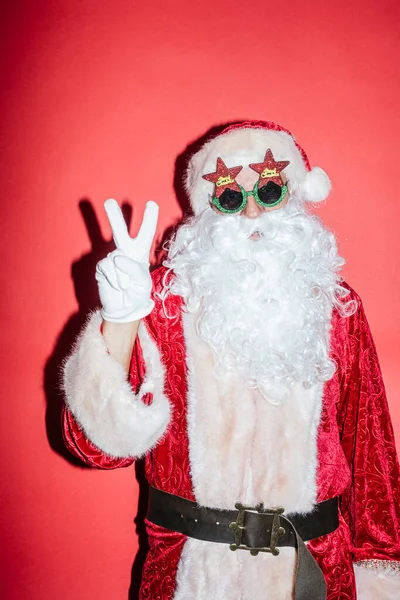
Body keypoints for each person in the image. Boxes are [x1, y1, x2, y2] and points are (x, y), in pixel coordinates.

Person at [62, 121, 400, 599]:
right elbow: (95, 450)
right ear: (208, 210)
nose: (253, 212)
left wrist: (380, 568)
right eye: (230, 197)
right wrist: (120, 320)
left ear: (297, 193)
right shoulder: (161, 300)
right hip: (189, 574)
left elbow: (372, 450)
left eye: (269, 189)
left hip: (309, 572)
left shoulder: (338, 305)